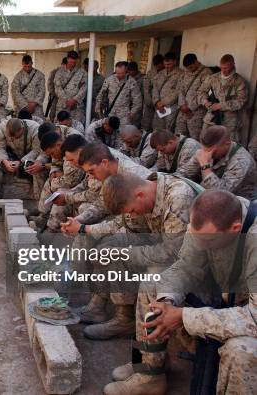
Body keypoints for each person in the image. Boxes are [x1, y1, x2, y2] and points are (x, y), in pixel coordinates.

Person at [103, 189, 256, 395]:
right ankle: (150, 373)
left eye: (208, 242)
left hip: (249, 315)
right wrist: (167, 301)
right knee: (153, 285)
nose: (201, 244)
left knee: (242, 349)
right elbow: (187, 266)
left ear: (235, 229)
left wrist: (184, 316)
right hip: (226, 298)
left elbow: (253, 317)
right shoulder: (208, 221)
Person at [75, 171, 195, 340]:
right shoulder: (145, 193)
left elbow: (171, 253)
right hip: (163, 244)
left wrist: (124, 253)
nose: (132, 215)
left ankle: (149, 355)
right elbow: (130, 227)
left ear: (139, 195)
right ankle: (123, 318)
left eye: (131, 210)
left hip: (189, 259)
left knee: (150, 279)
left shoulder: (178, 198)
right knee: (110, 247)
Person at [179, 125, 256, 200]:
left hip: (240, 201)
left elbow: (220, 194)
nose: (207, 153)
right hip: (209, 194)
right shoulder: (206, 151)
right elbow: (183, 174)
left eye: (212, 151)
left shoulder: (241, 160)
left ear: (227, 143)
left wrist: (205, 166)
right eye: (204, 149)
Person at [33, 128, 85, 231]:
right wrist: (54, 173)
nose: (52, 156)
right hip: (72, 181)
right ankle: (43, 216)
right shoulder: (59, 150)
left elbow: (70, 182)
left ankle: (52, 228)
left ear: (58, 145)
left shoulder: (70, 152)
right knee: (50, 183)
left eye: (52, 153)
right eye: (50, 155)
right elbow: (55, 164)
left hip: (80, 185)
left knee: (60, 194)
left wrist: (55, 180)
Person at [0, 118, 47, 199]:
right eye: (11, 137)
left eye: (16, 136)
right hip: (11, 157)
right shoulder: (2, 127)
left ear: (22, 129)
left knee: (35, 167)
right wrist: (5, 162)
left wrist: (20, 162)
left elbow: (36, 150)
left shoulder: (35, 129)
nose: (13, 139)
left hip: (29, 158)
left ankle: (39, 200)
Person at [197, 54, 248, 143]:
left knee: (227, 145)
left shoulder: (239, 81)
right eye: (221, 68)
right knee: (204, 141)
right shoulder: (213, 77)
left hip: (229, 120)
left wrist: (221, 106)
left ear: (233, 65)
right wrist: (205, 102)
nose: (223, 70)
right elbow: (201, 92)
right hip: (211, 117)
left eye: (226, 68)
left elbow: (241, 101)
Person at [176, 54, 212, 140]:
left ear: (196, 62)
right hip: (183, 110)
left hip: (196, 113)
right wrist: (182, 105)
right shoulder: (186, 71)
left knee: (195, 138)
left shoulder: (207, 73)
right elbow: (181, 89)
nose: (189, 70)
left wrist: (190, 108)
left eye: (191, 67)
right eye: (187, 68)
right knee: (179, 136)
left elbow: (204, 93)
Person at [96, 61, 142, 126]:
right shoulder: (109, 80)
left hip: (124, 116)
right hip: (110, 113)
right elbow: (101, 95)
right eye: (118, 73)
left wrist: (132, 113)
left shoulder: (131, 82)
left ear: (126, 70)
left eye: (122, 73)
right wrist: (98, 108)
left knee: (122, 134)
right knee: (109, 133)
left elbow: (138, 100)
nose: (120, 75)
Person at [54, 50, 87, 125]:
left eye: (74, 62)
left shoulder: (82, 72)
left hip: (77, 107)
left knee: (77, 127)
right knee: (60, 127)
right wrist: (68, 100)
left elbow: (84, 88)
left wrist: (74, 100)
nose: (72, 64)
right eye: (71, 62)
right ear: (67, 59)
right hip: (62, 105)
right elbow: (57, 88)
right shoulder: (59, 72)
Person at [152, 52, 182, 133]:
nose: (167, 66)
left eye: (169, 64)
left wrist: (164, 102)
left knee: (168, 130)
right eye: (165, 64)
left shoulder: (180, 74)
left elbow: (178, 91)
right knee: (157, 129)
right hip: (158, 107)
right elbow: (155, 88)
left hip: (171, 107)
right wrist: (157, 102)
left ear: (175, 62)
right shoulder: (161, 73)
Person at [11, 54, 46, 119]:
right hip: (22, 109)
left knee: (37, 126)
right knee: (22, 127)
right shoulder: (18, 77)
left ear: (32, 63)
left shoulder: (39, 75)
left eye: (29, 66)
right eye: (25, 66)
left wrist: (34, 103)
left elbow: (42, 91)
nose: (27, 68)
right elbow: (15, 92)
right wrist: (25, 105)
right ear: (22, 64)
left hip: (36, 109)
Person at [141, 54, 164, 132]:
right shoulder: (151, 73)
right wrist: (149, 101)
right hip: (150, 103)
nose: (158, 67)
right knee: (146, 123)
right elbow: (146, 87)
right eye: (156, 66)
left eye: (159, 65)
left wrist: (158, 102)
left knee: (158, 125)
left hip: (161, 104)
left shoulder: (166, 73)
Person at [126, 61, 143, 127]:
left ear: (135, 70)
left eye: (131, 71)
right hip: (126, 105)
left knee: (134, 125)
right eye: (128, 71)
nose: (129, 73)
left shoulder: (142, 79)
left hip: (136, 106)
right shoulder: (126, 77)